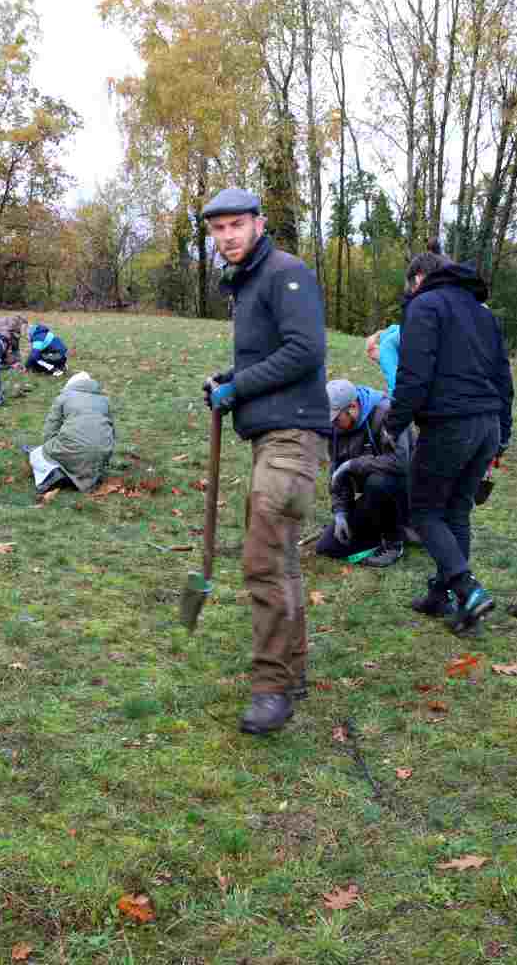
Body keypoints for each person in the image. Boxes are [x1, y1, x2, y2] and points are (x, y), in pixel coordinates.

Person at [199, 187, 329, 736]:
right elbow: (273, 354)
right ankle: (291, 674)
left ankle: (271, 689)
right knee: (282, 560)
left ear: (259, 223)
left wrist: (242, 386)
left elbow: (306, 350)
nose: (227, 236)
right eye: (218, 228)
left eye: (236, 225)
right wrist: (231, 380)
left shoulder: (284, 272)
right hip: (272, 435)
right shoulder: (250, 282)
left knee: (261, 561)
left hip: (292, 435)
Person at [384, 252, 514, 635]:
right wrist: (503, 434)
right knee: (456, 511)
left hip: (450, 425)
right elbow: (503, 378)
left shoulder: (425, 306)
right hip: (488, 424)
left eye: (410, 287)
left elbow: (414, 375)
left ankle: (467, 590)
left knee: (424, 511)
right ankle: (443, 597)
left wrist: (394, 424)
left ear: (418, 278)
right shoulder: (483, 313)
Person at [313, 379, 411, 567]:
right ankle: (382, 532)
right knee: (328, 547)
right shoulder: (336, 427)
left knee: (378, 481)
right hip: (374, 500)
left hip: (404, 493)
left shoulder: (387, 413)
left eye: (336, 419)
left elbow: (400, 463)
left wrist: (353, 464)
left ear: (352, 407)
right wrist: (340, 512)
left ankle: (394, 542)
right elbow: (337, 473)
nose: (333, 425)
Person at [27, 371, 113, 493]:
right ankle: (87, 477)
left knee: (35, 454)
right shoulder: (104, 400)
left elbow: (50, 429)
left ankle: (52, 475)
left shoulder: (64, 397)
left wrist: (49, 449)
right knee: (87, 458)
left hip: (72, 449)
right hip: (102, 451)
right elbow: (112, 430)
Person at [365, 324, 400, 394]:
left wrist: (391, 395)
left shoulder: (384, 349)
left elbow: (393, 381)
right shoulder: (390, 333)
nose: (377, 362)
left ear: (375, 347)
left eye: (373, 358)